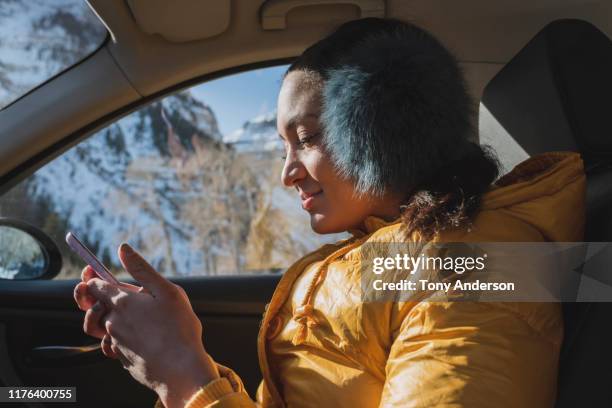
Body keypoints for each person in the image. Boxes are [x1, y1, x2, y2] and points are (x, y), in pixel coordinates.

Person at [73, 17, 586, 408]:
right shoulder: (399, 252)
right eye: (282, 148)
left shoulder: (479, 267)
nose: (287, 173)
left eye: (307, 139)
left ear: (381, 127)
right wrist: (184, 355)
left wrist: (184, 377)